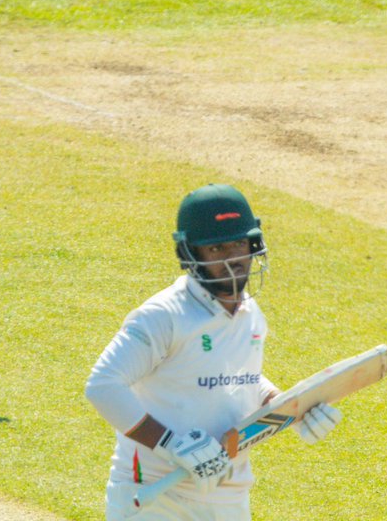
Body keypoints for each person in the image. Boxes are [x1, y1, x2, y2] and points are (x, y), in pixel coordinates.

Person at [84, 184, 342, 521]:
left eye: (238, 244)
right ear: (190, 253)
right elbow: (103, 386)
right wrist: (171, 444)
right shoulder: (163, 315)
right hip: (155, 496)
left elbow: (238, 377)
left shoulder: (250, 315)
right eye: (216, 249)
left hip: (229, 498)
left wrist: (292, 408)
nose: (232, 259)